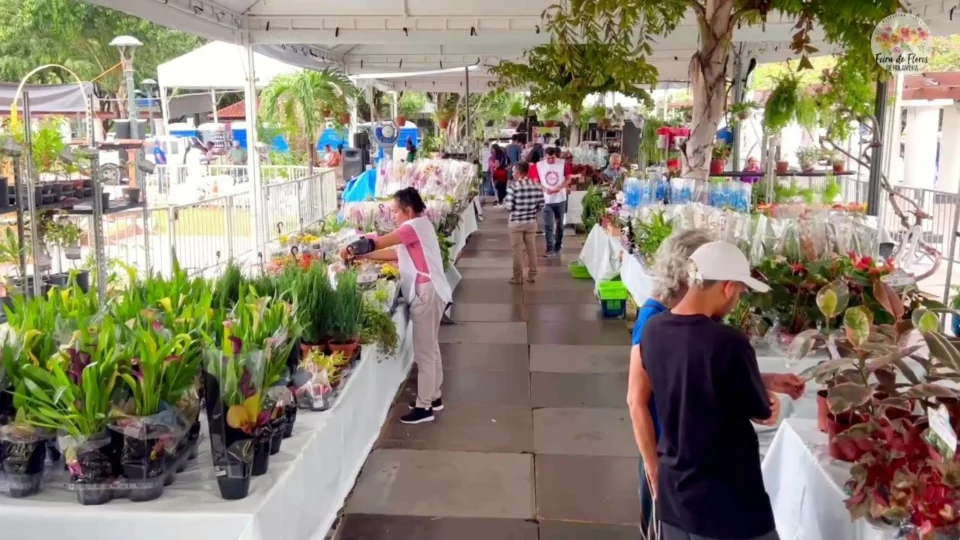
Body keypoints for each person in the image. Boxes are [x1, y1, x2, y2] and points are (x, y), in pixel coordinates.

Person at [637, 240, 806, 540]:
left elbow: (688, 375)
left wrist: (761, 378)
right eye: (740, 292)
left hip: (675, 492)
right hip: (726, 502)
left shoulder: (653, 329)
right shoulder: (728, 341)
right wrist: (770, 400)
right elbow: (761, 411)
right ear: (728, 287)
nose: (737, 300)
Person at [340, 187, 451, 424]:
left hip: (426, 292)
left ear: (407, 210)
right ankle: (433, 396)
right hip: (430, 289)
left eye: (394, 212)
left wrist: (354, 248)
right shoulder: (419, 225)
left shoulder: (412, 227)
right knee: (431, 348)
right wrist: (362, 258)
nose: (392, 216)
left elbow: (378, 243)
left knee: (424, 353)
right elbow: (395, 254)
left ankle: (424, 408)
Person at [503, 161, 544, 284]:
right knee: (531, 248)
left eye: (514, 171)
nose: (513, 173)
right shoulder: (537, 186)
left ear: (519, 172)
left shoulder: (513, 187)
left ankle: (517, 277)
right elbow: (541, 205)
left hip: (516, 223)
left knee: (517, 250)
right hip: (531, 222)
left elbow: (509, 207)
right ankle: (532, 275)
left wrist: (507, 203)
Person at [537, 147, 569, 257]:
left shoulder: (563, 163)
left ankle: (558, 244)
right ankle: (549, 247)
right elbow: (536, 181)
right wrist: (544, 189)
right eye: (549, 158)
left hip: (560, 198)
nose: (551, 160)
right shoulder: (539, 165)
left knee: (559, 224)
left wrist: (560, 187)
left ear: (556, 155)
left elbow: (568, 178)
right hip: (546, 199)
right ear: (545, 156)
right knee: (548, 224)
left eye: (553, 158)